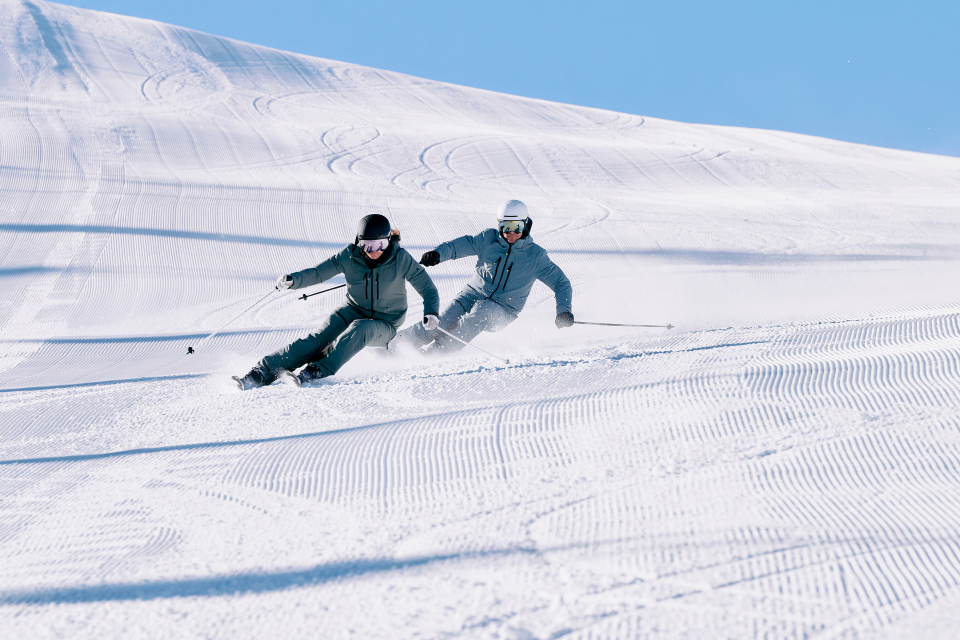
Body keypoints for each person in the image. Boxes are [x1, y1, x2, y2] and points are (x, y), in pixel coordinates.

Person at [234, 214, 440, 390]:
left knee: (361, 329)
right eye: (367, 245)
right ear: (358, 242)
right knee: (317, 340)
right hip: (353, 309)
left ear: (388, 241)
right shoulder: (349, 256)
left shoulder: (401, 258)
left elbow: (428, 289)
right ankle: (264, 371)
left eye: (380, 245)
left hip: (386, 322)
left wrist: (431, 312)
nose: (373, 251)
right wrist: (294, 280)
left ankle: (317, 370)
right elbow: (318, 273)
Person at [389, 199, 573, 355]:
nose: (511, 233)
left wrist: (563, 311)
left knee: (482, 312)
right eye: (506, 227)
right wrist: (438, 254)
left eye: (517, 227)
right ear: (499, 224)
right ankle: (392, 346)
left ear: (526, 225)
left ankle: (435, 354)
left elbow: (561, 283)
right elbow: (459, 246)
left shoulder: (535, 256)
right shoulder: (488, 239)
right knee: (440, 322)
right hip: (470, 296)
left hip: (503, 310)